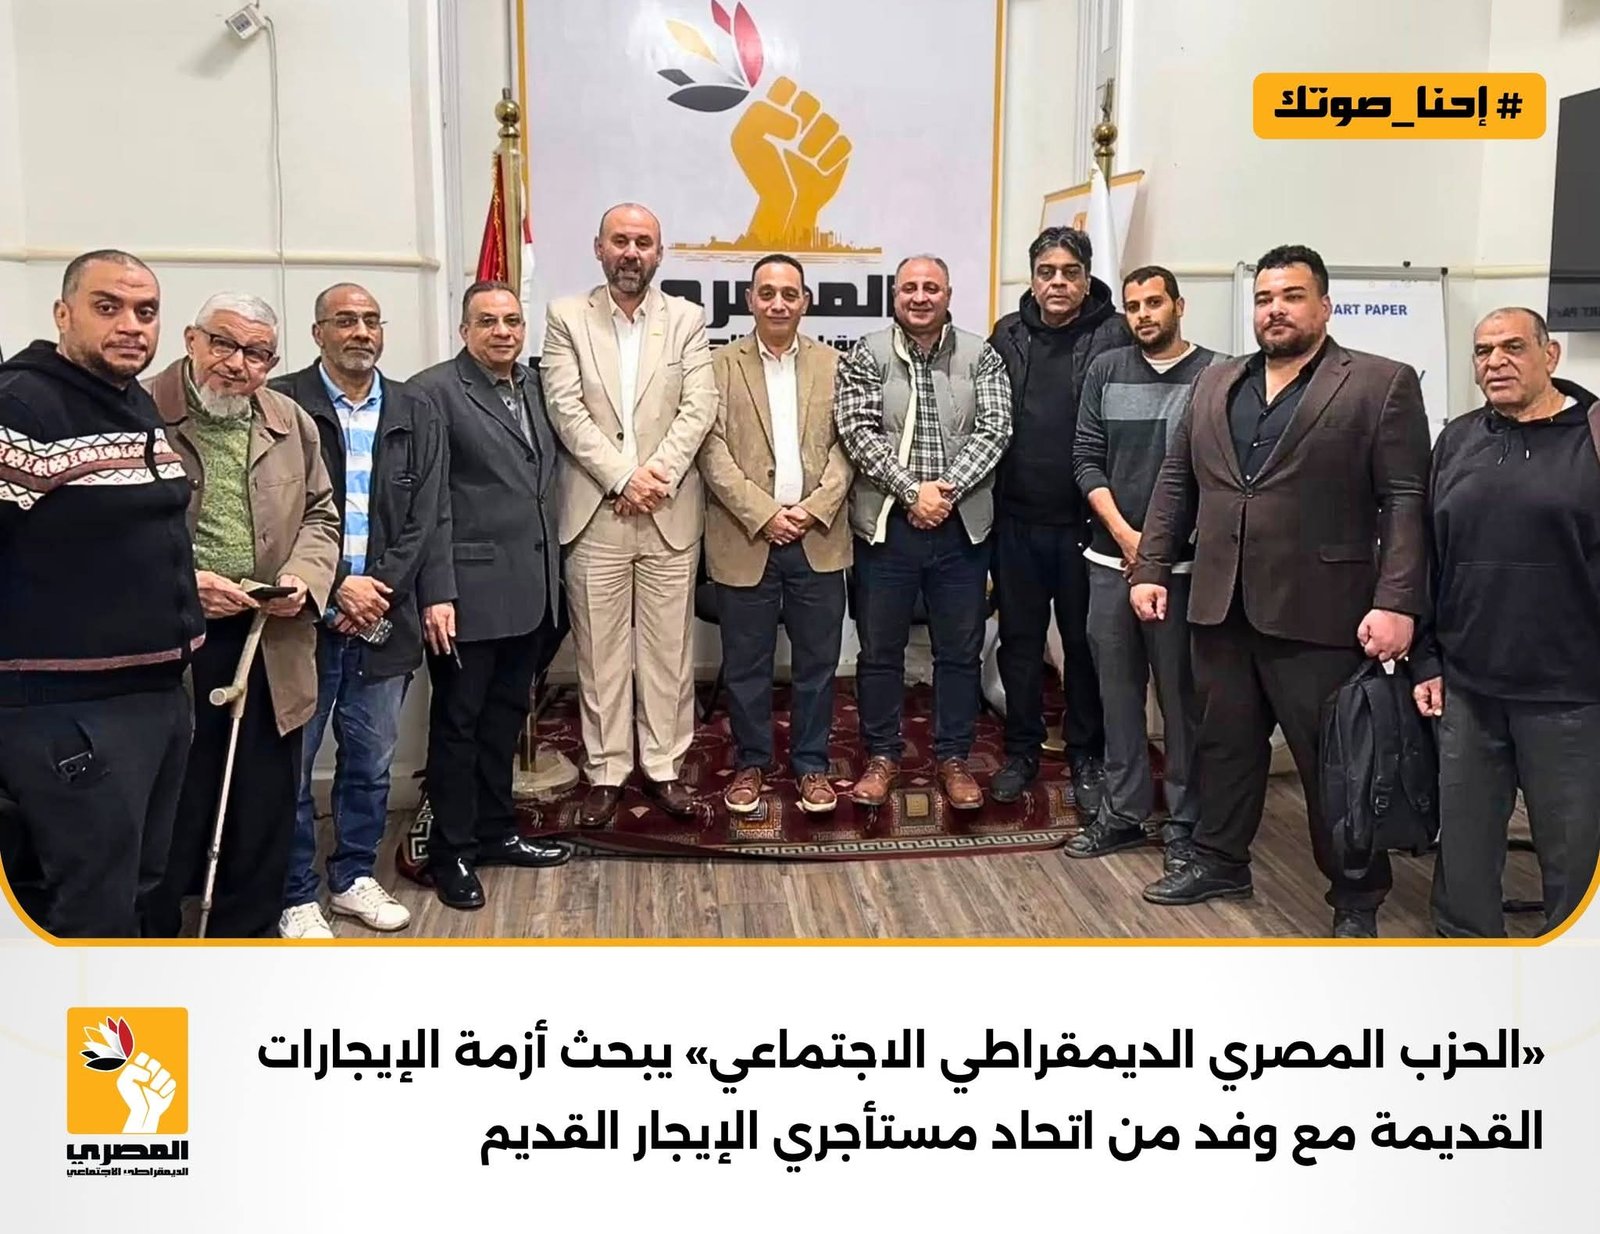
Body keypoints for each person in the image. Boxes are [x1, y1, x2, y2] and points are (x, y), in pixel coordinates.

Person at [1130, 244, 1430, 937]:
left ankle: (1356, 895)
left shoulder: (1379, 383)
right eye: (1264, 298)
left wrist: (1397, 601)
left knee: (1334, 763)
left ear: (1324, 306)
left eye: (1292, 296)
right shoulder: (1216, 383)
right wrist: (1151, 567)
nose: (1275, 310)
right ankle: (1219, 860)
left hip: (1321, 611)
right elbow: (1178, 481)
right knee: (1225, 747)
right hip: (1222, 605)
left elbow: (1405, 500)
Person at [0, 250, 203, 938]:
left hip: (155, 694)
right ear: (63, 314)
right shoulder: (22, 406)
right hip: (69, 710)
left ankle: (134, 1005)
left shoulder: (131, 400)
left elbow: (115, 534)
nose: (131, 326)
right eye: (108, 307)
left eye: (146, 311)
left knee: (142, 886)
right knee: (93, 906)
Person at [142, 293, 340, 938]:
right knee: (176, 800)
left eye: (257, 354)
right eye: (223, 344)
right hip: (172, 639)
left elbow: (321, 514)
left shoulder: (290, 421)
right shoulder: (138, 411)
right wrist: (185, 584)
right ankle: (155, 947)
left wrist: (303, 578)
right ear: (192, 340)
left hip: (269, 638)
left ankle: (245, 940)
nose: (237, 363)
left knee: (261, 803)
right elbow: (108, 537)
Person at [1413, 307, 1600, 938]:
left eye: (1513, 347)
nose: (1495, 361)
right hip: (1469, 687)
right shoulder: (1457, 441)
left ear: (1551, 356)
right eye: (1483, 351)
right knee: (1464, 853)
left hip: (1572, 692)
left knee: (1574, 852)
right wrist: (1427, 658)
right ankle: (1469, 953)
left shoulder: (1593, 435)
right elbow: (1428, 558)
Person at [269, 283, 448, 937]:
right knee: (291, 766)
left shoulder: (415, 408)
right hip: (301, 619)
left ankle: (351, 879)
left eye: (372, 320)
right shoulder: (282, 403)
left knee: (370, 764)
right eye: (345, 320)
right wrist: (339, 584)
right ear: (317, 332)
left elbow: (426, 514)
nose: (361, 332)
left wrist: (378, 588)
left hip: (383, 619)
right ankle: (294, 892)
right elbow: (273, 513)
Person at [541, 203, 718, 827]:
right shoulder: (566, 317)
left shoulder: (688, 319)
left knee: (670, 651)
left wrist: (651, 479)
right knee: (601, 653)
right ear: (599, 248)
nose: (631, 252)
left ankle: (665, 766)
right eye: (620, 240)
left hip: (668, 509)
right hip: (597, 512)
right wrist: (622, 477)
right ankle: (608, 770)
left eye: (644, 242)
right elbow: (565, 409)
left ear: (659, 254)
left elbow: (699, 408)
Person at [410, 281, 570, 912]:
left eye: (512, 321)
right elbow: (428, 502)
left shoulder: (537, 386)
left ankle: (497, 831)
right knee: (458, 725)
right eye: (488, 321)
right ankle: (451, 851)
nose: (503, 331)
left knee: (504, 721)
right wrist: (436, 590)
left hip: (531, 589)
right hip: (465, 595)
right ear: (464, 331)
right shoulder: (434, 392)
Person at [833, 253, 1012, 810]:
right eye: (909, 287)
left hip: (961, 530)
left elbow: (995, 429)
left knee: (958, 652)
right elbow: (856, 431)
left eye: (931, 287)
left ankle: (953, 757)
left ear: (948, 294)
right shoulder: (866, 354)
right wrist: (913, 493)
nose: (919, 297)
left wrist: (943, 494)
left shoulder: (981, 355)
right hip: (888, 529)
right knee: (879, 651)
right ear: (894, 296)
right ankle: (882, 755)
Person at [1070, 265, 1219, 872]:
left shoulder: (1216, 374)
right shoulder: (1106, 370)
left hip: (1183, 570)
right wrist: (1128, 538)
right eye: (1133, 306)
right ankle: (1124, 812)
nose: (1143, 315)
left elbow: (1219, 474)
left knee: (1181, 701)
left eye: (1154, 303)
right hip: (1111, 560)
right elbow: (1086, 460)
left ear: (1179, 306)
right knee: (1118, 694)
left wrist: (1157, 548)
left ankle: (1185, 822)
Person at [697, 254, 852, 814]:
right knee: (746, 666)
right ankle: (752, 762)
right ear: (750, 300)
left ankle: (811, 765)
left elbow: (850, 445)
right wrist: (764, 513)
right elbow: (710, 450)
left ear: (805, 301)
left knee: (817, 665)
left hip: (818, 538)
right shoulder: (717, 366)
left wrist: (812, 509)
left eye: (790, 293)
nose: (778, 303)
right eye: (767, 293)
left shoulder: (837, 365)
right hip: (746, 538)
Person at [986, 226, 1129, 812]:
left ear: (1087, 278)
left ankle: (1086, 753)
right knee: (1019, 643)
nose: (1058, 283)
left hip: (1084, 525)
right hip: (1016, 521)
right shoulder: (1007, 334)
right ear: (1033, 278)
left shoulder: (1117, 334)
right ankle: (1021, 749)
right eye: (1047, 272)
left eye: (1070, 272)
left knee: (1081, 644)